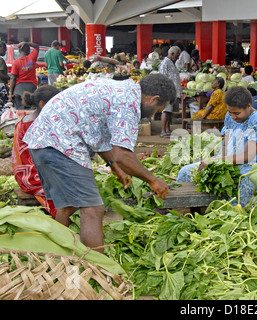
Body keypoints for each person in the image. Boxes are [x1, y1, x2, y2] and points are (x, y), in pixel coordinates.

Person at [23, 73, 177, 253]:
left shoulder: (121, 90)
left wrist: (113, 166)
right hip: (60, 144)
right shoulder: (128, 104)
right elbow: (123, 155)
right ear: (154, 99)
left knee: (68, 204)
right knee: (93, 209)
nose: (153, 116)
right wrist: (152, 180)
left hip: (44, 141)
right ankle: (98, 270)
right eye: (159, 109)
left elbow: (97, 135)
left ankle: (56, 256)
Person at [177, 86, 257, 207]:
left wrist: (216, 161)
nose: (233, 116)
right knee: (186, 172)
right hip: (229, 159)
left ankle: (236, 216)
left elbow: (248, 155)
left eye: (237, 113)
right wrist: (218, 160)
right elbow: (226, 144)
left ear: (249, 106)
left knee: (242, 183)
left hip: (254, 164)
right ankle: (192, 210)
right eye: (230, 112)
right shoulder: (229, 117)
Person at [12, 84, 61, 217]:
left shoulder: (26, 120)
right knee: (66, 194)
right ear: (42, 104)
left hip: (24, 174)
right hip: (32, 177)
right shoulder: (36, 126)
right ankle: (62, 222)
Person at [158, 46, 182, 137]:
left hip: (173, 92)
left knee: (169, 112)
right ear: (172, 54)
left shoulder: (171, 63)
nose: (178, 57)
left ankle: (167, 129)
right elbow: (163, 78)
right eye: (177, 55)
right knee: (166, 111)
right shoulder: (165, 63)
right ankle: (163, 131)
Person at [9, 42, 40, 109]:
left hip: (19, 88)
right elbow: (36, 46)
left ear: (19, 51)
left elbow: (13, 78)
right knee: (31, 109)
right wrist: (26, 43)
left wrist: (11, 92)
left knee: (20, 111)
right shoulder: (32, 57)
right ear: (28, 51)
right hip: (31, 87)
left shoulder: (16, 62)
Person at [0, 42, 10, 113]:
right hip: (1, 85)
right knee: (3, 105)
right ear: (2, 48)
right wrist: (10, 77)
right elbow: (1, 74)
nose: (5, 52)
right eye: (5, 50)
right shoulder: (0, 60)